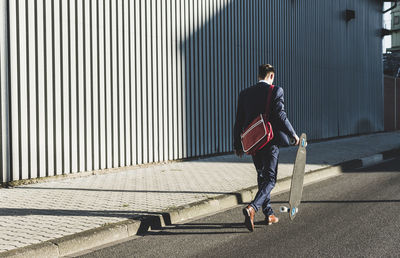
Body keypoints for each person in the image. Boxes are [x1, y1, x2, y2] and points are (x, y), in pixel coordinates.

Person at [233, 64, 299, 232]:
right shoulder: (275, 91)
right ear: (271, 76)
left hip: (253, 143)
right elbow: (280, 116)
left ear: (258, 76)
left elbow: (238, 122)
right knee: (270, 179)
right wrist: (293, 134)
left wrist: (237, 145)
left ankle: (268, 213)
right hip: (269, 142)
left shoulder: (245, 93)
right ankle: (252, 208)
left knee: (262, 176)